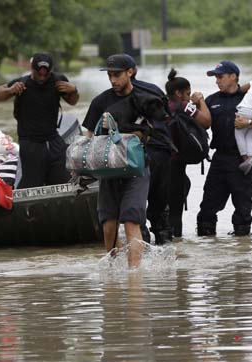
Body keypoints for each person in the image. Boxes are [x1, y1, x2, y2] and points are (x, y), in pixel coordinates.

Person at [82, 54, 166, 268]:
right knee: (108, 223)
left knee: (131, 219)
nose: (113, 80)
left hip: (137, 168)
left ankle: (134, 274)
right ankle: (112, 267)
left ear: (131, 72)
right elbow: (89, 136)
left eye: (117, 75)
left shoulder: (146, 100)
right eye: (110, 75)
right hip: (109, 170)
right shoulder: (101, 101)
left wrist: (136, 135)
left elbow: (156, 132)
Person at [197, 60, 252, 237]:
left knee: (242, 210)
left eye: (221, 77)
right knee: (207, 208)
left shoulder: (251, 96)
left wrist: (249, 122)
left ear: (233, 77)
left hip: (243, 160)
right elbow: (201, 123)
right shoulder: (211, 100)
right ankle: (206, 249)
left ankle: (242, 250)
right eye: (216, 78)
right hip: (219, 159)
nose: (217, 81)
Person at [0, 52, 79, 189]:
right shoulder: (22, 83)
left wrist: (73, 90)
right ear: (32, 69)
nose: (42, 77)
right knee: (32, 184)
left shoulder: (58, 80)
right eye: (39, 73)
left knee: (64, 182)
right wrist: (10, 90)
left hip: (52, 139)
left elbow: (73, 102)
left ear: (51, 71)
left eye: (46, 74)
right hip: (30, 142)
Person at [128, 56, 174, 245]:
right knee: (159, 202)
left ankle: (143, 246)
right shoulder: (153, 89)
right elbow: (168, 118)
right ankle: (164, 245)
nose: (112, 79)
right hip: (161, 151)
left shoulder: (116, 97)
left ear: (128, 73)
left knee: (136, 201)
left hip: (139, 154)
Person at [165, 68, 211, 238]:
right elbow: (206, 121)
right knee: (175, 210)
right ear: (178, 93)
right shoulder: (183, 106)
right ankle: (175, 242)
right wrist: (200, 101)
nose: (189, 96)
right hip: (176, 162)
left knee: (163, 206)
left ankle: (163, 241)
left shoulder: (161, 105)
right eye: (187, 93)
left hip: (159, 162)